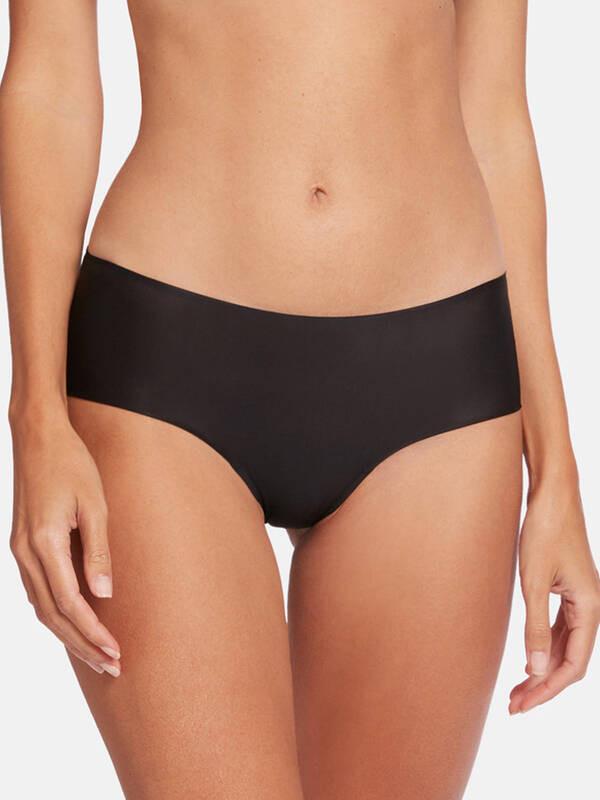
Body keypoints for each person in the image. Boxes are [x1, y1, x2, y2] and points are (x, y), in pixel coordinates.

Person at [1, 1, 598, 798]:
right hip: (165, 366)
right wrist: (35, 415)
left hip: (441, 387)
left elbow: (495, 110)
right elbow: (50, 79)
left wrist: (556, 469)